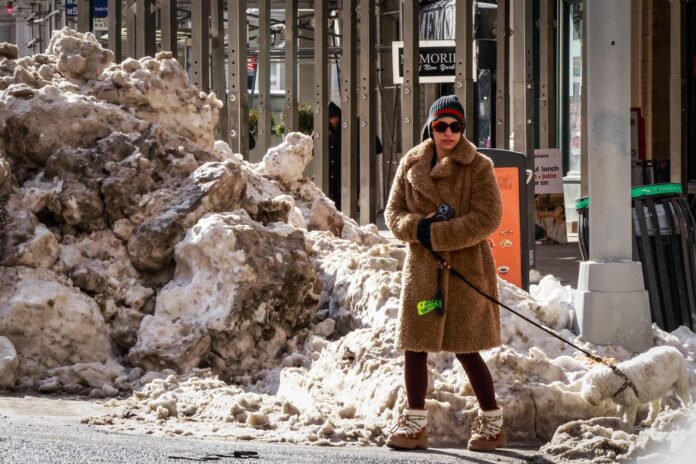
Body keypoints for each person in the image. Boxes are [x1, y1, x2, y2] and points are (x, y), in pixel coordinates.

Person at [384, 95, 505, 452]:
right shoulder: (411, 163)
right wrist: (418, 228)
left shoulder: (478, 166)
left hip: (465, 270)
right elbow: (393, 212)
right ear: (431, 127)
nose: (448, 133)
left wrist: (438, 234)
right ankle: (414, 424)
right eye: (441, 126)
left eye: (456, 126)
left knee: (467, 349)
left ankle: (492, 423)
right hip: (422, 272)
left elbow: (489, 217)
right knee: (414, 347)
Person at [327, 102, 383, 210]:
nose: (334, 121)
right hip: (333, 172)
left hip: (349, 170)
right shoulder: (325, 130)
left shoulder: (352, 127)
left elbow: (376, 147)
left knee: (346, 200)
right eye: (331, 118)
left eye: (336, 118)